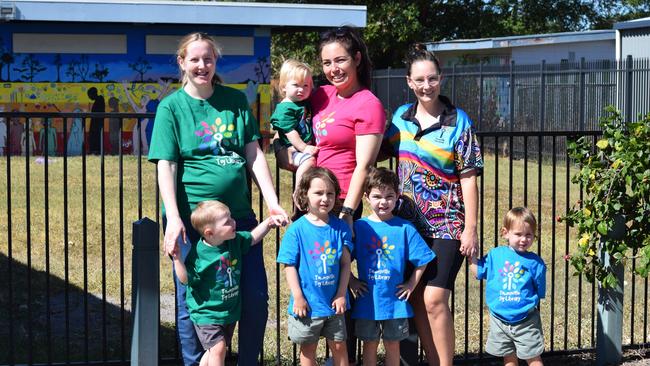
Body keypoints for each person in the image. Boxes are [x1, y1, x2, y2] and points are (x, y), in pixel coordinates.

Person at [148, 32, 288, 366]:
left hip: (237, 219)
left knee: (253, 297)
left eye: (208, 59)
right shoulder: (172, 108)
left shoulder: (235, 101)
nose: (202, 66)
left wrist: (272, 201)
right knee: (193, 299)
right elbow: (166, 165)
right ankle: (197, 361)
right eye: (194, 59)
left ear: (215, 62)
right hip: (192, 223)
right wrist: (173, 217)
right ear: (182, 62)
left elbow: (253, 155)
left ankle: (247, 361)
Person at [382, 43, 483, 366]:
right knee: (415, 298)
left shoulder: (459, 122)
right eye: (420, 80)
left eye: (432, 79)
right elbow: (380, 152)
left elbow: (469, 178)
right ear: (409, 82)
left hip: (447, 223)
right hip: (407, 224)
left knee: (435, 297)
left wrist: (470, 229)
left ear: (441, 79)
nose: (427, 86)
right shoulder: (400, 119)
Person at [313, 26, 386, 364]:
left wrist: (347, 213)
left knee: (348, 285)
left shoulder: (368, 103)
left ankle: (343, 358)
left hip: (343, 204)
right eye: (327, 62)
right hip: (314, 201)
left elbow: (364, 165)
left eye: (340, 59)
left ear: (357, 59)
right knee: (318, 280)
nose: (333, 68)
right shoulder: (320, 95)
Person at [171, 200, 284, 366]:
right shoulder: (199, 254)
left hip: (228, 312)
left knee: (214, 352)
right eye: (227, 222)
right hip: (206, 313)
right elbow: (185, 279)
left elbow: (252, 237)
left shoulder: (234, 241)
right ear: (210, 233)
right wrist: (177, 259)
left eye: (231, 218)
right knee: (218, 349)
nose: (234, 222)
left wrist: (268, 223)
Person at [349, 167, 435, 366]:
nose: (383, 202)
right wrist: (352, 282)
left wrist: (411, 285)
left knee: (393, 345)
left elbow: (423, 259)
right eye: (377, 196)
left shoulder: (405, 228)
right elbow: (343, 259)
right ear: (366, 197)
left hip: (395, 304)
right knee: (369, 345)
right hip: (367, 302)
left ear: (397, 196)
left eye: (389, 196)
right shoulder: (360, 227)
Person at [276, 167, 353, 366]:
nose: (325, 198)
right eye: (318, 193)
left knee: (339, 346)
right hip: (307, 306)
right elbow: (289, 266)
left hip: (334, 305)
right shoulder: (296, 230)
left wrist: (342, 294)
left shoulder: (341, 228)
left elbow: (345, 264)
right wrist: (298, 297)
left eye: (330, 193)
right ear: (304, 195)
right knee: (308, 350)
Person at [470, 207, 546, 366]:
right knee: (509, 358)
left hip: (526, 320)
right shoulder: (495, 255)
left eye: (528, 235)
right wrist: (471, 254)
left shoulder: (536, 263)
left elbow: (539, 289)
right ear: (505, 233)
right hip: (499, 319)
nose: (524, 239)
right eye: (518, 234)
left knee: (533, 357)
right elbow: (478, 272)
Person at [270, 59, 318, 189]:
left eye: (306, 86)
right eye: (296, 85)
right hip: (293, 150)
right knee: (309, 162)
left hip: (301, 149)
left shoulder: (301, 103)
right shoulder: (285, 109)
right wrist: (303, 147)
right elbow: (290, 132)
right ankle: (299, 190)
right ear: (284, 86)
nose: (301, 90)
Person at [87, 87, 105, 155]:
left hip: (97, 123)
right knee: (94, 136)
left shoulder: (99, 99)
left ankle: (96, 150)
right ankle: (94, 150)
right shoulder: (98, 100)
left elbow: (99, 112)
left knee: (96, 136)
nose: (89, 97)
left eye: (89, 95)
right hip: (96, 123)